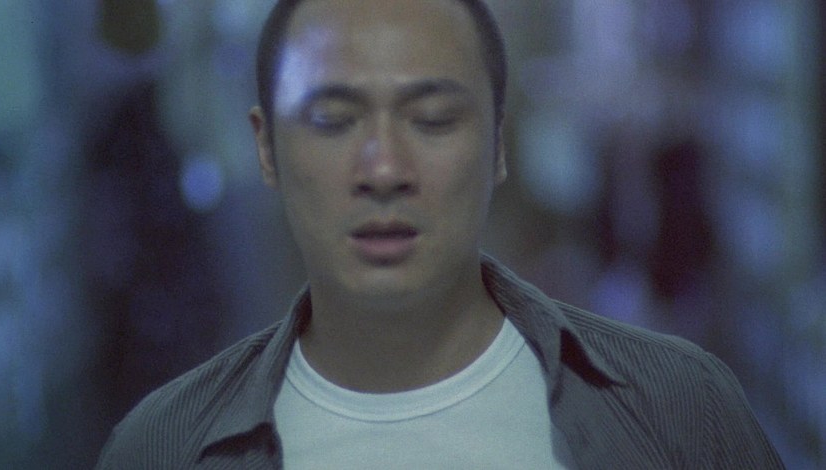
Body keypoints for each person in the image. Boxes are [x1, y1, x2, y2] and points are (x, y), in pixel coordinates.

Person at [96, 0, 785, 468]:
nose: (384, 170)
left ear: (497, 143)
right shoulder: (165, 445)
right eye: (333, 121)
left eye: (432, 119)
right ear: (267, 148)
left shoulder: (679, 409)